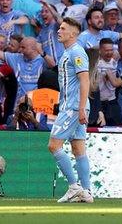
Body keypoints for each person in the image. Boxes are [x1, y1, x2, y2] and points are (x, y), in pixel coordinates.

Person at [47, 17, 93, 203]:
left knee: (53, 145)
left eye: (63, 28)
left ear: (73, 33)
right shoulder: (68, 52)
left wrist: (81, 108)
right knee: (78, 148)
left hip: (73, 108)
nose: (59, 31)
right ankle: (87, 192)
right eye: (59, 27)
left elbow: (85, 79)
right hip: (74, 106)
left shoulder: (76, 52)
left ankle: (74, 186)